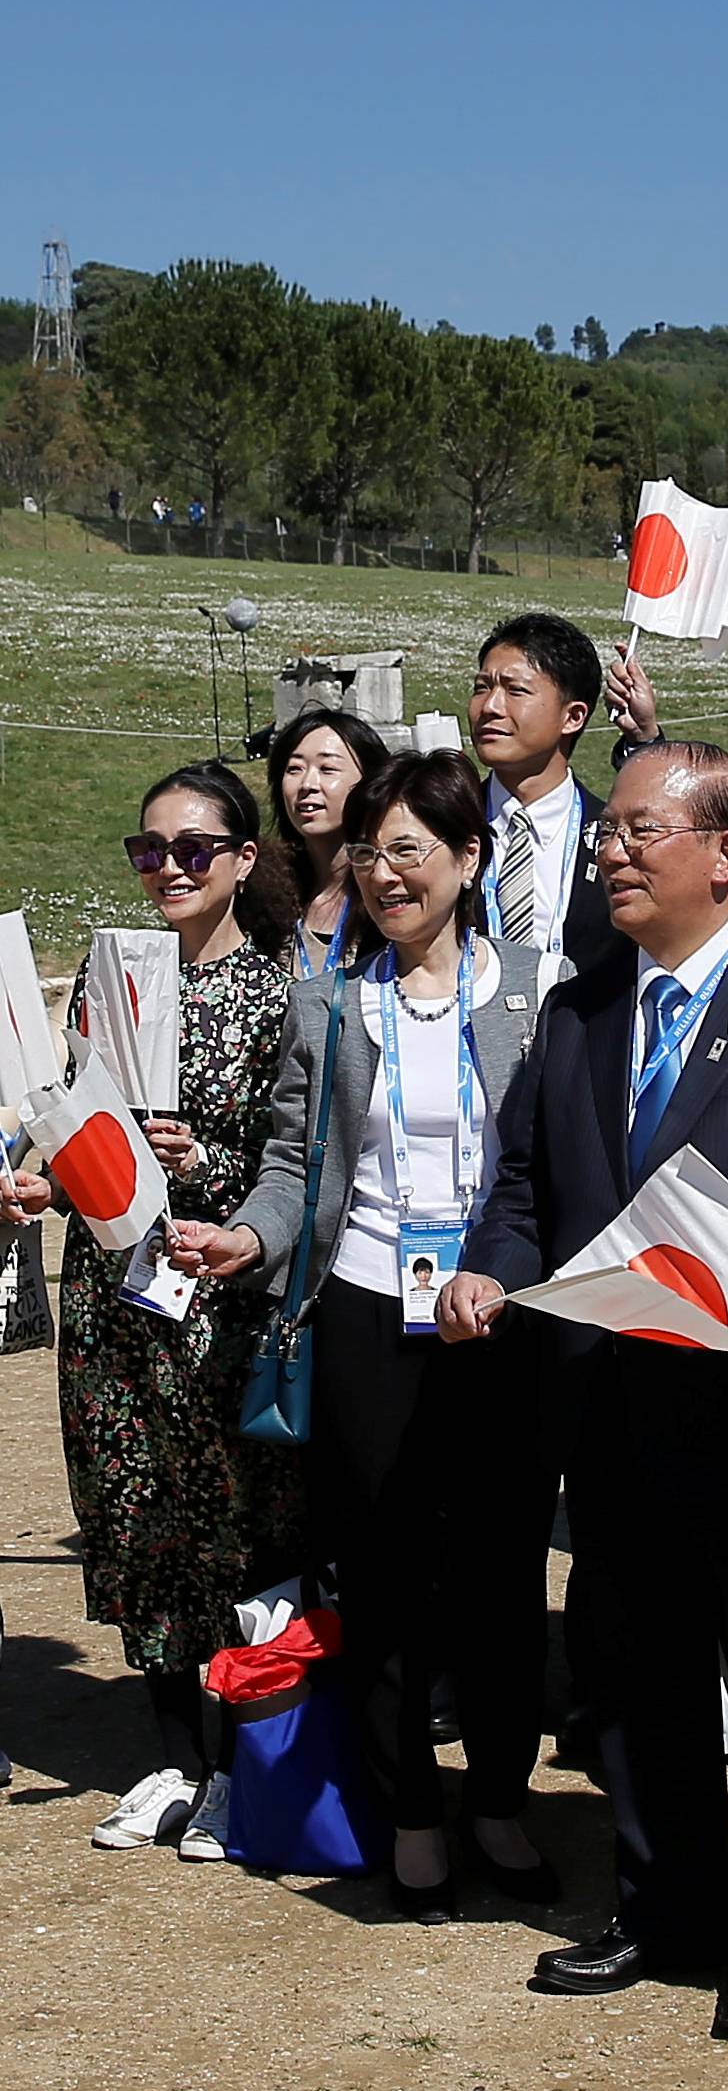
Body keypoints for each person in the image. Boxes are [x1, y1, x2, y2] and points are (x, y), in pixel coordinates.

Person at [439, 742, 728, 2037]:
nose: (610, 853)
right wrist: (493, 1274)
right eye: (606, 833)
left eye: (639, 832)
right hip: (601, 1407)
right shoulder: (577, 1011)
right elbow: (524, 1185)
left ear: (724, 852)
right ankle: (663, 1897)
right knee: (637, 1668)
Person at [171, 751, 556, 1921]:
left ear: (468, 860)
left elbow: (550, 1167)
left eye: (411, 851)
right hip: (362, 1308)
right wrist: (251, 1235)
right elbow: (297, 1161)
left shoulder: (539, 988)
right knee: (383, 1579)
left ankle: (498, 1794)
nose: (386, 875)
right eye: (369, 852)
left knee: (498, 1577)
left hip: (498, 1315)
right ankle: (411, 1813)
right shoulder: (334, 999)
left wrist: (511, 1271)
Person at [2, 765, 301, 1861]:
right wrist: (43, 1180)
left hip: (211, 1291)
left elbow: (293, 1158)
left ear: (240, 860)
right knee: (133, 1513)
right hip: (107, 1287)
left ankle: (244, 1760)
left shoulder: (278, 992)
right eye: (148, 850)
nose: (167, 868)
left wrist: (201, 1155)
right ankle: (172, 1749)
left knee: (228, 1517)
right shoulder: (107, 973)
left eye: (191, 849)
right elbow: (69, 1111)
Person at [468, 613, 614, 964]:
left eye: (515, 690)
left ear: (573, 716)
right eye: (482, 687)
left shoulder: (612, 838)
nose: (490, 707)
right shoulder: (446, 825)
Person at [266, 705, 390, 978]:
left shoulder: (391, 889)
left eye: (328, 768)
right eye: (294, 768)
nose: (307, 784)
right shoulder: (263, 897)